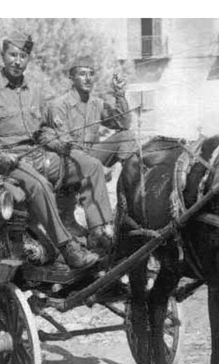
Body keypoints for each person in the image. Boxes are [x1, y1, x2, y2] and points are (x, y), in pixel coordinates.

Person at [0, 33, 98, 268]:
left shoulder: (35, 91)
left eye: (23, 56)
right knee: (40, 185)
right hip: (8, 164)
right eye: (13, 55)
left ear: (28, 59)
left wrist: (58, 144)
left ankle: (100, 232)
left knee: (88, 165)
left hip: (39, 155)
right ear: (3, 57)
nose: (17, 61)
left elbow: (42, 131)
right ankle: (68, 248)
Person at [38, 63, 132, 249]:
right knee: (92, 165)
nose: (88, 78)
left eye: (91, 74)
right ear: (71, 79)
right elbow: (66, 146)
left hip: (90, 158)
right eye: (82, 74)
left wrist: (119, 94)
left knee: (126, 137)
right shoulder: (58, 105)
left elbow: (123, 123)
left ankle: (132, 198)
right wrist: (95, 164)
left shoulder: (96, 104)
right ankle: (100, 229)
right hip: (67, 162)